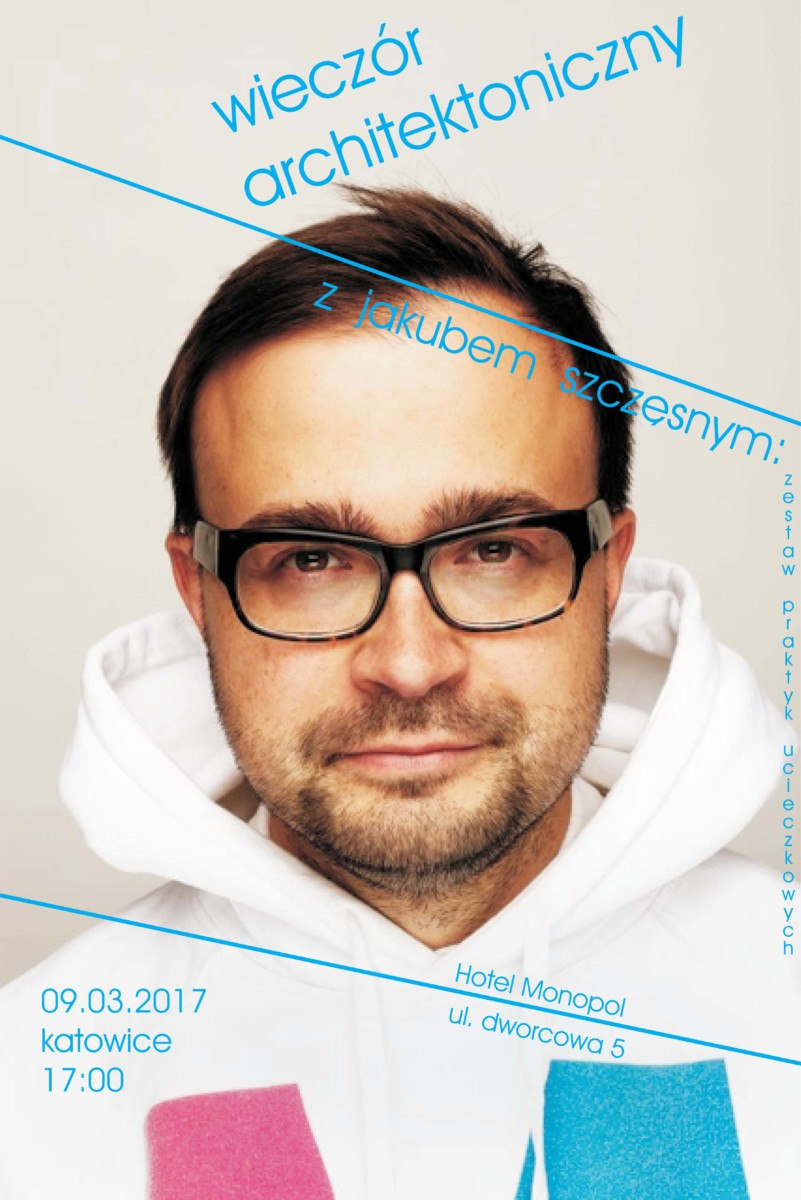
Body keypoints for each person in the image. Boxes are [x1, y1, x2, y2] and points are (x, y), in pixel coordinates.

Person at [0, 187, 797, 1199]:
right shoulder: (23, 1103)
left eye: (493, 550)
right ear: (198, 593)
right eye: (310, 559)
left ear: (607, 571)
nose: (411, 666)